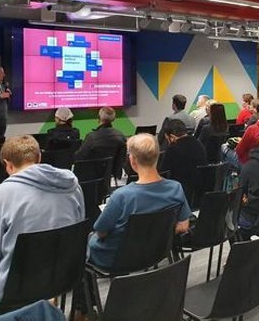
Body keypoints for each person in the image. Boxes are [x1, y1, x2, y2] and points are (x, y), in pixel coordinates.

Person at [0, 135, 84, 314]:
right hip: (62, 276)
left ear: (8, 164)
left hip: (13, 287)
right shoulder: (72, 187)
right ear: (39, 158)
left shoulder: (0, 196)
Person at [89, 134, 191, 270]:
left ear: (132, 161)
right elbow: (183, 226)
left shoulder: (121, 196)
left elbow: (101, 231)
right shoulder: (176, 188)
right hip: (157, 253)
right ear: (158, 156)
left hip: (117, 259)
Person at [75, 107, 128, 181]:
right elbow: (122, 160)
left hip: (92, 179)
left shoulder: (91, 138)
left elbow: (79, 157)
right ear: (114, 119)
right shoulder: (121, 137)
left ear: (98, 117)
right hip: (112, 178)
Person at [159, 119, 208, 193]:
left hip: (180, 193)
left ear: (171, 137)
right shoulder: (198, 143)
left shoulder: (172, 149)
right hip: (200, 191)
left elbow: (163, 173)